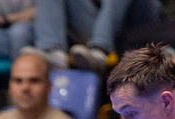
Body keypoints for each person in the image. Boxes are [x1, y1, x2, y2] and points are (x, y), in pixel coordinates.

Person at [20, 0, 161, 72]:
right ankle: (53, 52)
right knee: (20, 32)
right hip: (98, 24)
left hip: (137, 26)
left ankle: (101, 50)